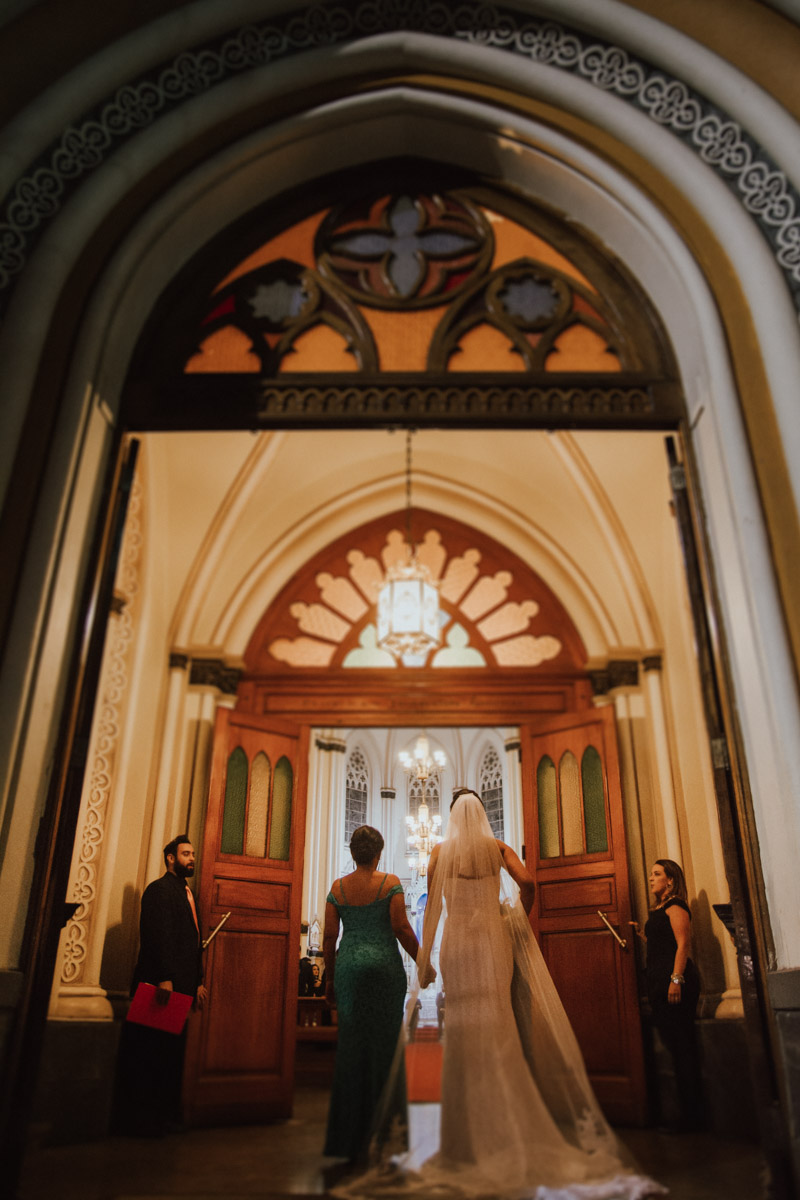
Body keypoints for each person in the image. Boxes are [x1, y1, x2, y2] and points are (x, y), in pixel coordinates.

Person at [336, 790, 663, 1199]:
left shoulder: (439, 851)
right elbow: (528, 883)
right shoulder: (497, 848)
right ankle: (506, 1126)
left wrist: (424, 960)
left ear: (452, 817)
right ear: (480, 814)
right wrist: (515, 920)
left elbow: (430, 909)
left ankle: (464, 1141)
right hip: (493, 939)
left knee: (460, 1027)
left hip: (458, 943)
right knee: (499, 1021)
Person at [323, 824, 423, 1163]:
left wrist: (330, 980)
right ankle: (387, 1134)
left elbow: (329, 938)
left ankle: (349, 1138)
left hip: (349, 970)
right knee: (386, 1049)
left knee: (351, 1050)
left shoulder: (338, 888)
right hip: (384, 970)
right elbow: (401, 927)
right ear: (379, 854)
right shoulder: (390, 882)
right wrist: (423, 962)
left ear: (353, 854)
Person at [112, 834, 207, 1136]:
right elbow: (156, 936)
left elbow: (192, 943)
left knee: (169, 1055)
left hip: (180, 987)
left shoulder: (187, 893)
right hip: (161, 986)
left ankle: (162, 1118)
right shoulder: (159, 890)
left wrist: (198, 982)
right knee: (148, 1054)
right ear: (170, 858)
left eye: (193, 854)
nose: (191, 859)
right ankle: (140, 1121)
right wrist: (164, 976)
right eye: (186, 854)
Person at [644, 858, 704, 1132]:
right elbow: (663, 944)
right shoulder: (660, 908)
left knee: (682, 1048)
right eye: (651, 874)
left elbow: (683, 944)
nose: (651, 878)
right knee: (676, 1047)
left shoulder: (676, 905)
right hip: (661, 981)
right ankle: (686, 1115)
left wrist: (676, 980)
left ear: (670, 879)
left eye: (657, 874)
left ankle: (691, 1117)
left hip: (675, 982)